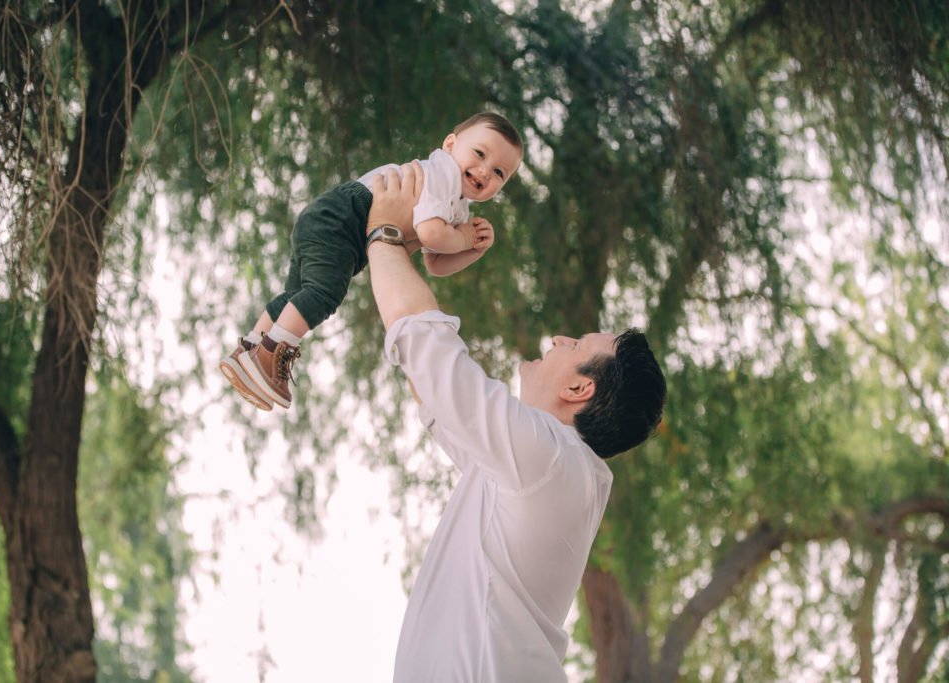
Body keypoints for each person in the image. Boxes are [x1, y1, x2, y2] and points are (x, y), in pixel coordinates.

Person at [364, 162, 667, 682]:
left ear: (580, 389)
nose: (559, 339)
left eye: (576, 344)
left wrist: (383, 234)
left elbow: (431, 353)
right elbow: (433, 387)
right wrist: (404, 251)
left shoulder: (551, 458)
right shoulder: (543, 468)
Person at [219, 112, 525, 411]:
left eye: (500, 172)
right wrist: (465, 239)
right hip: (346, 217)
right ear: (450, 145)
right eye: (480, 153)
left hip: (331, 220)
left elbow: (435, 263)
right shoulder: (443, 172)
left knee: (297, 296)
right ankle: (269, 354)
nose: (485, 170)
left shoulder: (457, 208)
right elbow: (431, 234)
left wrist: (472, 250)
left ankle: (249, 349)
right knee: (324, 294)